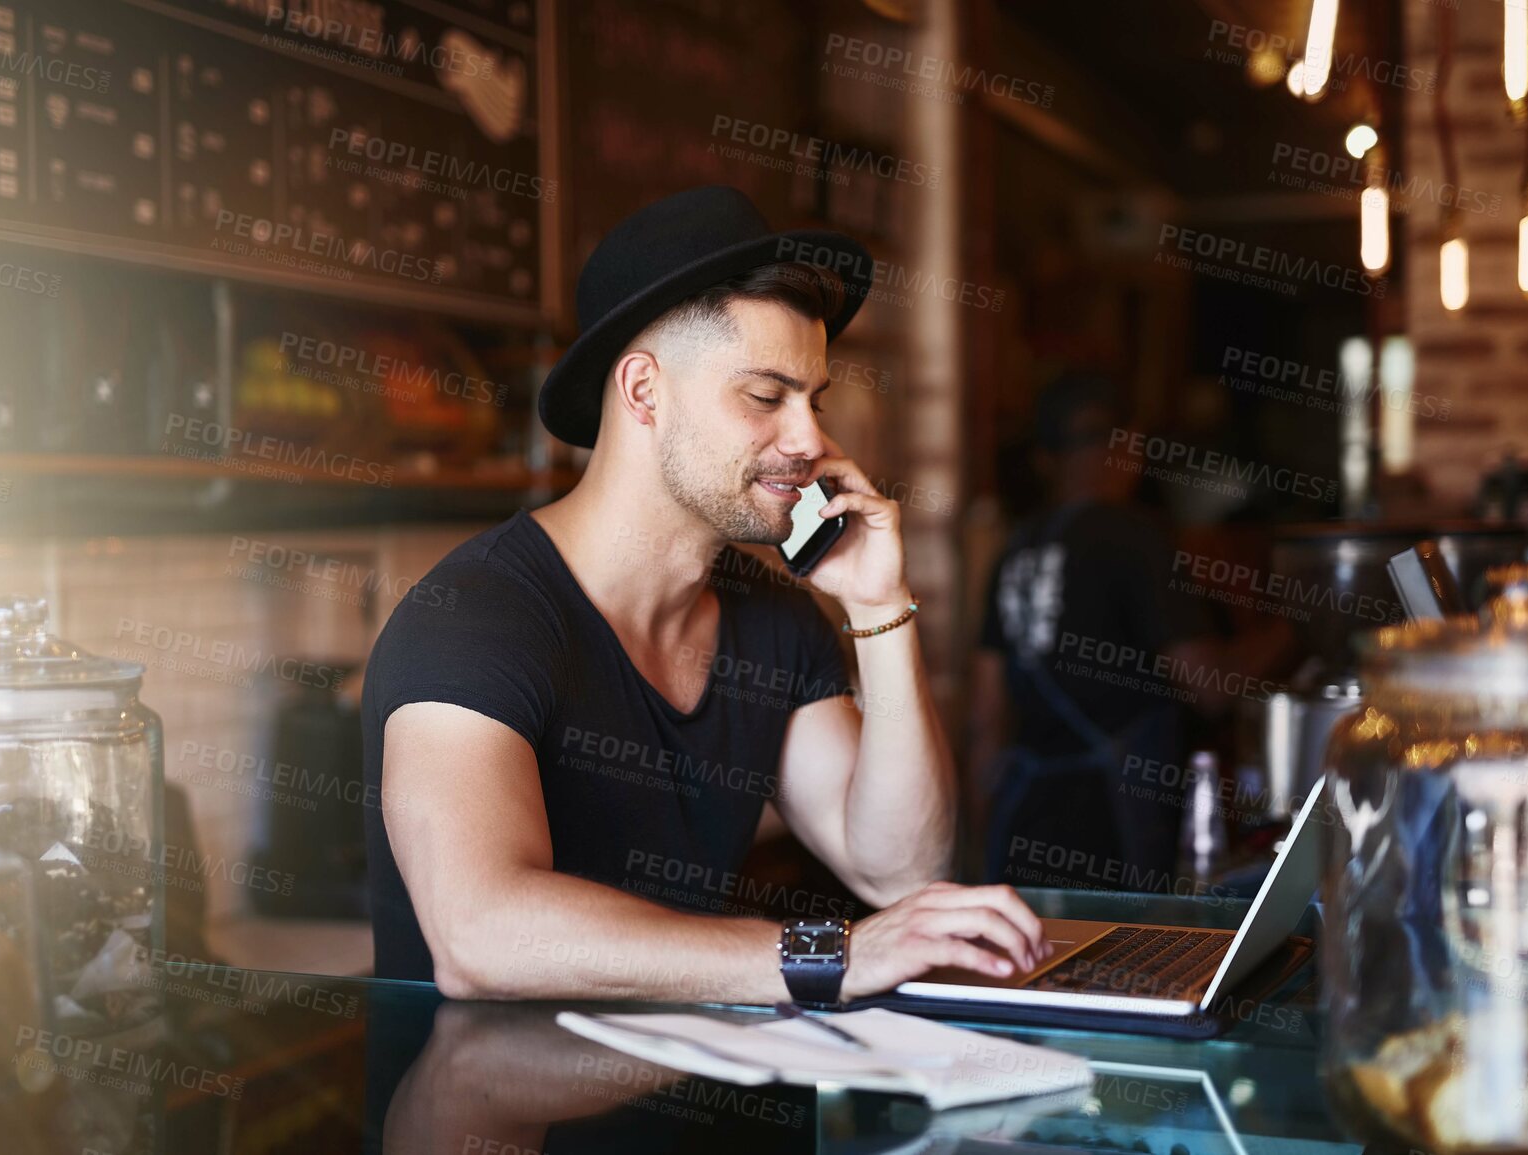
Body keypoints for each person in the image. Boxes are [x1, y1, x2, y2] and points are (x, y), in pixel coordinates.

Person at [361, 186, 1048, 1004]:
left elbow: (901, 867)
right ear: (645, 391)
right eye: (766, 397)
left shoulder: (773, 622)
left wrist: (877, 607)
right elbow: (479, 934)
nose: (811, 441)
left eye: (813, 400)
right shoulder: (476, 617)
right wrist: (823, 955)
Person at [969, 373, 1212, 887]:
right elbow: (1205, 684)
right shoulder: (1136, 537)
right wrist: (1292, 636)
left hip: (1025, 822)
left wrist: (971, 844)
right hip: (1116, 827)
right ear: (1132, 444)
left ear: (1043, 458)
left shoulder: (1014, 549)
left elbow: (986, 717)